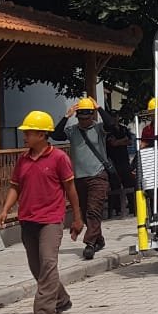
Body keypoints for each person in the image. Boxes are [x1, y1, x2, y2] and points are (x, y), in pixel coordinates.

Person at [0, 110, 82, 314]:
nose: (25, 136)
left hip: (51, 220)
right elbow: (15, 187)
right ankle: (61, 299)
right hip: (27, 220)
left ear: (42, 134)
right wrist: (5, 210)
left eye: (29, 132)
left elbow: (71, 189)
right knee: (38, 268)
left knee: (48, 263)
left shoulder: (59, 158)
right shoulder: (23, 160)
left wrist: (78, 217)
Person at [53, 98, 113, 260]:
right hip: (79, 177)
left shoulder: (99, 128)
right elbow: (56, 135)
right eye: (81, 118)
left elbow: (111, 125)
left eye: (87, 118)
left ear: (92, 115)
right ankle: (98, 239)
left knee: (94, 210)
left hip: (98, 175)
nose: (84, 121)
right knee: (86, 212)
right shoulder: (72, 131)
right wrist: (66, 116)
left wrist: (99, 108)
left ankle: (90, 244)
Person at [103, 113, 135, 219]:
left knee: (129, 183)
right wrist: (123, 141)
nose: (115, 118)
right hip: (113, 162)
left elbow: (130, 141)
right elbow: (113, 143)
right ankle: (117, 209)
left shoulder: (123, 129)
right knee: (115, 185)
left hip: (124, 160)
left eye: (116, 116)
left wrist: (120, 142)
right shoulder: (108, 130)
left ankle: (132, 206)